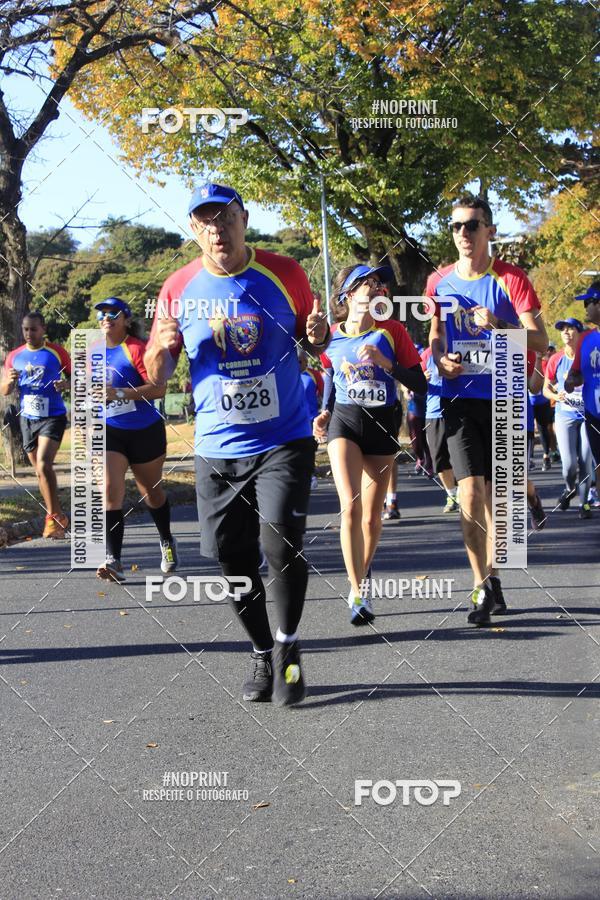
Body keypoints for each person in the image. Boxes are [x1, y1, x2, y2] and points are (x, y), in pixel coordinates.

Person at [145, 183, 329, 707]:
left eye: (225, 218)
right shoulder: (178, 287)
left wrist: (317, 333)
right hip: (217, 444)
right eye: (205, 221)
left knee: (280, 539)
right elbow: (159, 373)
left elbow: (315, 338)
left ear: (244, 220)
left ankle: (288, 647)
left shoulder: (284, 272)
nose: (217, 229)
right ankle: (259, 651)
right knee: (232, 556)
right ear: (194, 230)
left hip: (283, 436)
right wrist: (159, 350)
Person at [428, 193, 548, 626]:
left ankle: (495, 576)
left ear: (489, 231)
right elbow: (435, 336)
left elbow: (540, 342)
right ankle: (481, 587)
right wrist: (439, 359)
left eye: (471, 225)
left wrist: (499, 326)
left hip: (507, 396)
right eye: (456, 226)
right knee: (469, 492)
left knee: (503, 502)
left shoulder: (511, 279)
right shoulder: (438, 281)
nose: (463, 233)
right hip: (458, 398)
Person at [313, 264, 425, 625]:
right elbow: (330, 378)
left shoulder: (393, 332)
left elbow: (419, 382)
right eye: (369, 283)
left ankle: (363, 575)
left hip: (382, 424)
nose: (377, 288)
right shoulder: (331, 337)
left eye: (380, 284)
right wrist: (324, 413)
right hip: (345, 421)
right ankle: (357, 590)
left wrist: (386, 364)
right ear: (348, 294)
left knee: (373, 518)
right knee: (350, 508)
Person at [94, 297, 176, 583]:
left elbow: (159, 389)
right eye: (102, 313)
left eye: (113, 313)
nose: (106, 317)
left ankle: (166, 540)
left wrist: (119, 393)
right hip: (110, 430)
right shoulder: (93, 351)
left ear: (126, 319)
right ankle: (113, 559)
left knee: (151, 493)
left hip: (145, 430)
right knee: (109, 490)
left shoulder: (138, 349)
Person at [1, 311, 70, 538]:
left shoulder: (56, 352)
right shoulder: (14, 356)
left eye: (33, 329)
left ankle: (53, 517)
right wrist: (9, 382)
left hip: (53, 416)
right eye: (25, 329)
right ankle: (57, 517)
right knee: (40, 472)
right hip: (27, 418)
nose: (29, 333)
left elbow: (78, 377)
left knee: (43, 464)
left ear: (43, 329)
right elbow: (4, 390)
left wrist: (65, 384)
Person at [543, 317, 593, 518]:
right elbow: (545, 389)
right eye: (562, 329)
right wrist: (556, 396)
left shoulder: (591, 355)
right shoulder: (556, 359)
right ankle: (569, 488)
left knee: (586, 460)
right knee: (569, 465)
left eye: (570, 328)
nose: (566, 332)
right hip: (565, 416)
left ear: (579, 333)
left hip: (588, 416)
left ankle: (584, 503)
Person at [565, 281, 600, 505]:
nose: (585, 307)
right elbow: (576, 373)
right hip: (594, 414)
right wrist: (571, 381)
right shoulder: (586, 339)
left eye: (588, 302)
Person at [420, 345, 459, 513]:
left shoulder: (457, 348)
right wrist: (422, 379)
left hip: (457, 409)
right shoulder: (426, 355)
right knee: (439, 458)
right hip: (434, 412)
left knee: (460, 456)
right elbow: (413, 381)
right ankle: (452, 495)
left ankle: (464, 492)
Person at [298, 349, 323, 490]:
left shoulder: (313, 375)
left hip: (311, 420)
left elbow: (324, 391)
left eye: (306, 361)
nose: (305, 364)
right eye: (301, 361)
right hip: (293, 420)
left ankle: (310, 475)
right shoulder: (285, 375)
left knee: (309, 449)